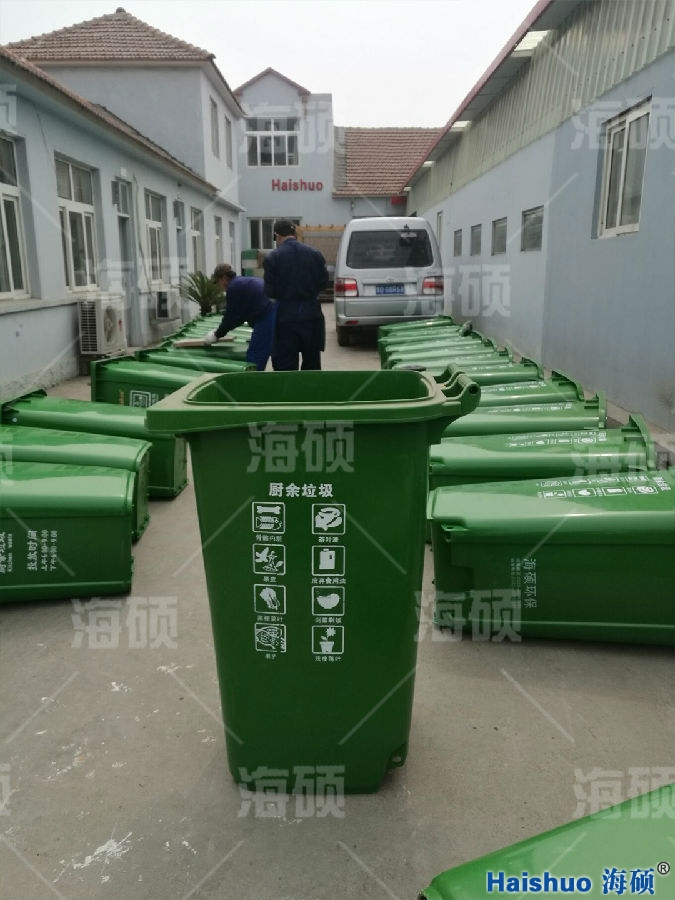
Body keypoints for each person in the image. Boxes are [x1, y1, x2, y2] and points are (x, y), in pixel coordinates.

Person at [263, 219, 329, 371]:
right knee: (312, 363)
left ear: (276, 235)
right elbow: (324, 283)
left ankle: (289, 387)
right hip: (312, 314)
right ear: (294, 233)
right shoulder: (315, 254)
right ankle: (310, 386)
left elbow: (269, 291)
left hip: (285, 317)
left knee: (285, 365)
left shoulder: (273, 257)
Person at [203, 264, 276, 371]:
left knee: (254, 356)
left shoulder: (233, 288)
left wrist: (216, 335)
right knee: (278, 353)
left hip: (267, 316)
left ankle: (252, 380)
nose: (219, 287)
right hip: (276, 311)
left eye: (217, 282)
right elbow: (239, 318)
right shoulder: (242, 282)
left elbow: (230, 317)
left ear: (223, 278)